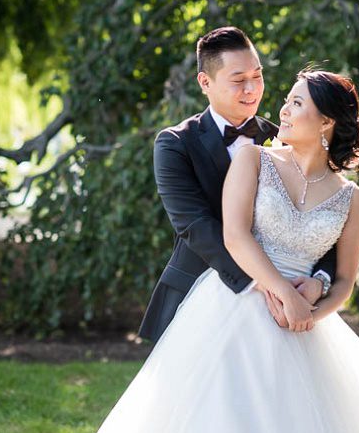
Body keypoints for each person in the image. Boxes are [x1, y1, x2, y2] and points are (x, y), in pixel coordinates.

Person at [66, 65, 359, 433]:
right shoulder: (254, 159)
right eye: (287, 99)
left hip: (305, 324)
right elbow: (234, 235)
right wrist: (283, 290)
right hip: (233, 304)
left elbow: (344, 280)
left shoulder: (351, 198)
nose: (282, 109)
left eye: (297, 103)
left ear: (326, 121)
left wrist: (313, 311)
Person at [137, 26, 336, 343]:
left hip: (285, 303)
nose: (252, 88)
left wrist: (320, 281)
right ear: (205, 82)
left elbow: (324, 216)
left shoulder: (284, 139)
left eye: (257, 76)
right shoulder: (175, 144)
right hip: (199, 296)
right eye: (238, 80)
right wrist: (270, 284)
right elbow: (196, 226)